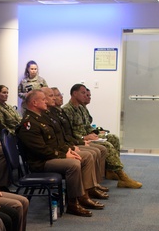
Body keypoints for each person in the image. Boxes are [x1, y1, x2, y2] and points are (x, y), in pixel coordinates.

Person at [16, 89, 101, 217]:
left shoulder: (41, 118)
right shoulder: (29, 123)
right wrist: (63, 155)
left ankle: (84, 195)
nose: (47, 101)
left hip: (50, 156)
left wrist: (67, 150)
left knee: (85, 156)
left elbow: (55, 142)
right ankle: (73, 203)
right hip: (40, 162)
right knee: (73, 165)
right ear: (34, 102)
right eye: (43, 99)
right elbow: (41, 150)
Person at [64, 84, 142, 189]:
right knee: (107, 145)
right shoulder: (67, 110)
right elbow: (68, 132)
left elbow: (87, 126)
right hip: (80, 140)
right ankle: (122, 177)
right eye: (83, 93)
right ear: (74, 93)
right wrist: (84, 138)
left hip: (87, 137)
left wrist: (95, 133)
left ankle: (110, 171)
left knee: (113, 138)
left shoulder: (81, 108)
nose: (85, 95)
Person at [46, 87, 108, 200]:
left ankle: (91, 187)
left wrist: (73, 145)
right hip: (48, 158)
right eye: (52, 96)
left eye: (59, 95)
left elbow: (64, 136)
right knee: (89, 155)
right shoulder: (44, 118)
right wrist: (67, 151)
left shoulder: (57, 113)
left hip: (67, 146)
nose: (58, 97)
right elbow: (44, 147)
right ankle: (81, 196)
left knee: (97, 150)